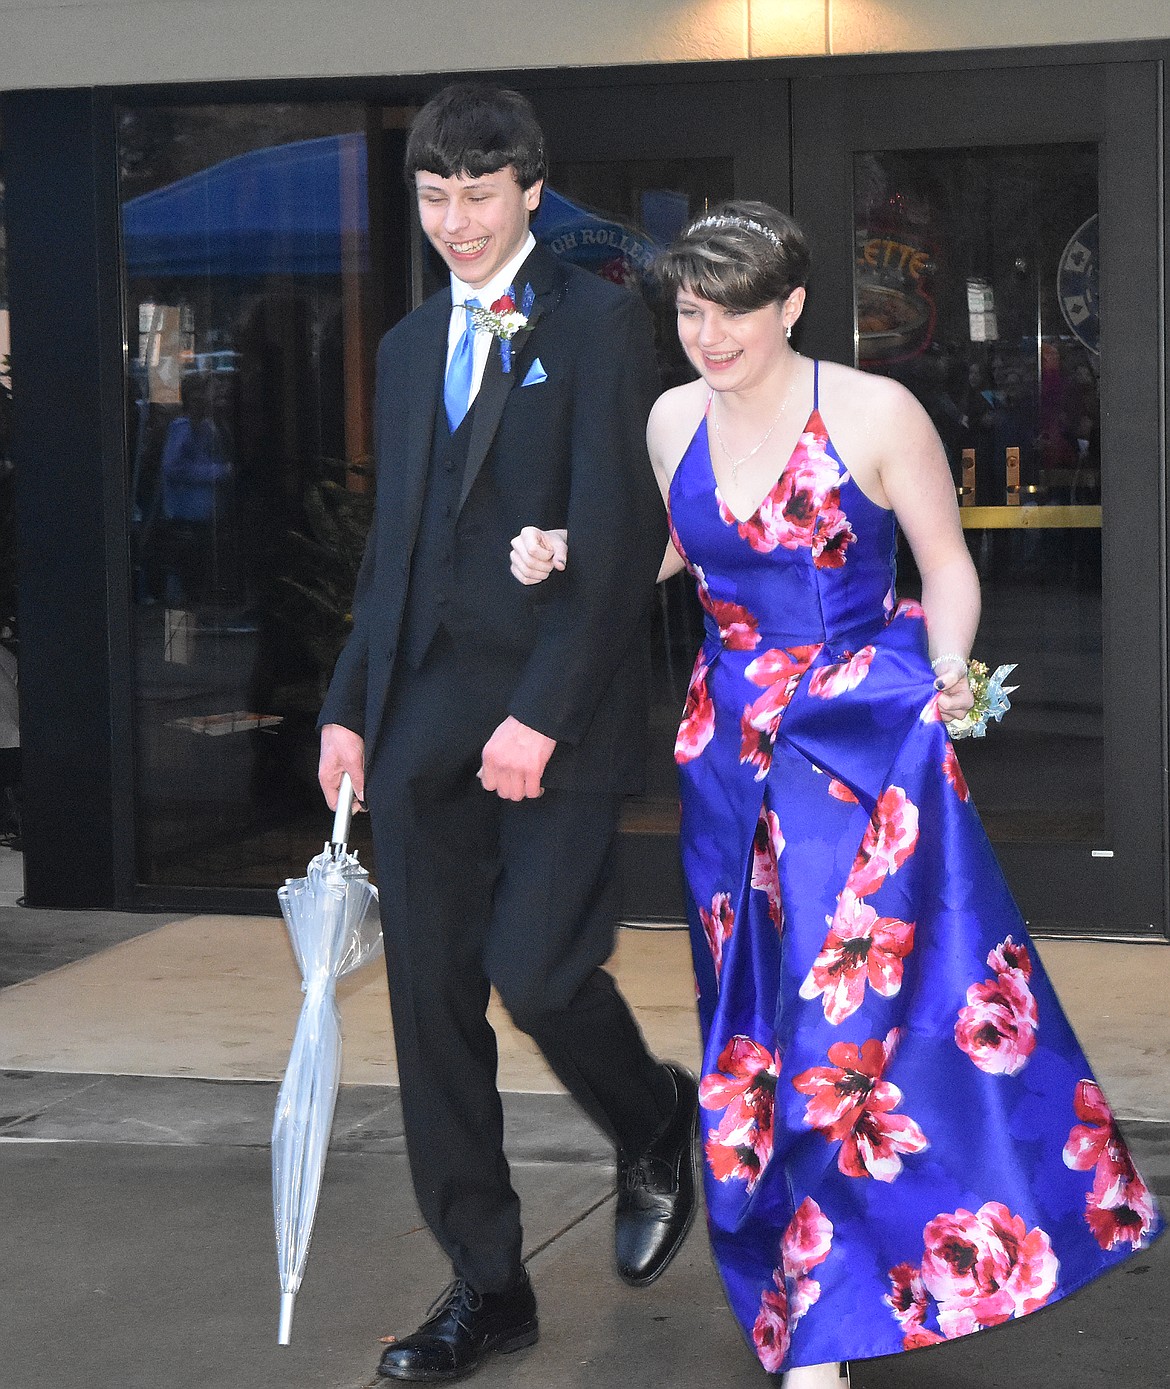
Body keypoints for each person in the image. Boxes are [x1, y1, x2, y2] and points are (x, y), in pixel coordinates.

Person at [512, 201, 1162, 1386]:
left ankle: (845, 1311)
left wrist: (952, 682)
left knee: (853, 1041)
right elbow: (685, 544)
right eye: (692, 315)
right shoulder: (671, 420)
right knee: (754, 1035)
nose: (709, 341)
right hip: (725, 761)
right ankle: (805, 1303)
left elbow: (947, 562)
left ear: (792, 305)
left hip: (857, 751)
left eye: (733, 317)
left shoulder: (872, 412)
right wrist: (576, 549)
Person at [317, 83, 699, 1384]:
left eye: (480, 193)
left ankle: (653, 1118)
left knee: (534, 974)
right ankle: (487, 1289)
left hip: (558, 714)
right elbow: (393, 557)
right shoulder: (408, 345)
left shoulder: (599, 327)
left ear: (531, 188)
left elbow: (623, 540)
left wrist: (539, 712)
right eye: (434, 195)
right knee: (430, 1010)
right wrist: (347, 712)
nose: (457, 221)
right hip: (421, 717)